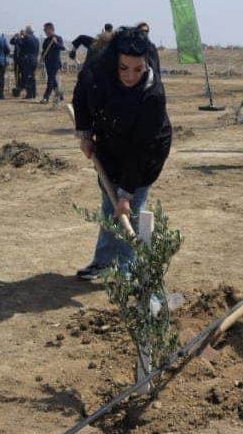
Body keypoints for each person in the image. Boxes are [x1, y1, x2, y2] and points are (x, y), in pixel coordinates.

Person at [73, 27, 172, 281]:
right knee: (109, 204)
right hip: (109, 141)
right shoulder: (98, 73)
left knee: (130, 208)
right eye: (124, 68)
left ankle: (129, 270)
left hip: (145, 153)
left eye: (137, 69)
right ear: (115, 61)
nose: (130, 75)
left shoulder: (152, 96)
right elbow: (82, 95)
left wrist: (126, 193)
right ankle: (103, 262)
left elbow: (141, 149)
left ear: (146, 63)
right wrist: (85, 133)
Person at [40, 22, 65, 103]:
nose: (44, 31)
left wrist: (55, 42)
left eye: (45, 29)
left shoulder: (58, 38)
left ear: (50, 29)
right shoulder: (46, 40)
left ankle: (46, 97)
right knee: (53, 80)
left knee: (50, 80)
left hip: (55, 63)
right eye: (44, 30)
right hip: (48, 63)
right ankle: (60, 95)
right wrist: (41, 58)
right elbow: (44, 51)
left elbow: (62, 48)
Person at [19, 25, 40, 99]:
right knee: (33, 77)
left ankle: (29, 94)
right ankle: (33, 93)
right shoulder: (36, 39)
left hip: (28, 60)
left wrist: (20, 36)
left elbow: (20, 45)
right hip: (34, 60)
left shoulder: (26, 38)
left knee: (27, 77)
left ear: (27, 31)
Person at [10, 30, 25, 95]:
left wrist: (19, 38)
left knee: (23, 74)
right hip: (16, 60)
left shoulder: (24, 40)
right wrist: (14, 37)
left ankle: (22, 86)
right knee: (17, 74)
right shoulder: (17, 40)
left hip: (22, 61)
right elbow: (11, 42)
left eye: (22, 33)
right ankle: (18, 86)